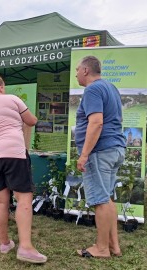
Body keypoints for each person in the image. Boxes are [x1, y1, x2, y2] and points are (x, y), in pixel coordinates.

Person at [0, 75, 46, 264]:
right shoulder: (13, 99)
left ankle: (4, 242)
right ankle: (26, 247)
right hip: (13, 151)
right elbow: (31, 121)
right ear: (0, 87)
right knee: (23, 196)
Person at [74, 56, 126, 258]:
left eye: (78, 69)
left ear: (86, 70)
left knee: (101, 200)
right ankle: (114, 246)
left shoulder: (93, 89)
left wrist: (84, 154)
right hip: (115, 149)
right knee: (107, 198)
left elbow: (96, 123)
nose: (76, 73)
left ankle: (102, 248)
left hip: (100, 151)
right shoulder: (110, 87)